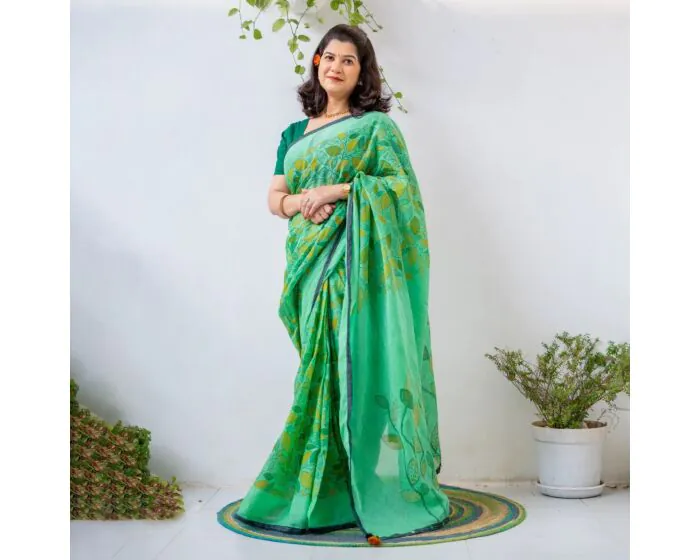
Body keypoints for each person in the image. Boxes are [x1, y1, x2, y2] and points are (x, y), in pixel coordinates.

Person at [234, 23, 450, 545]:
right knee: (317, 365)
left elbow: (400, 189)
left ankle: (353, 483)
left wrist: (334, 190)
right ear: (317, 63)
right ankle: (323, 488)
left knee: (352, 364)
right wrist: (303, 202)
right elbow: (276, 200)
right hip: (308, 264)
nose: (336, 67)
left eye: (349, 61)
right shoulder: (293, 133)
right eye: (329, 57)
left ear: (362, 73)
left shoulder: (375, 129)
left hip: (355, 266)